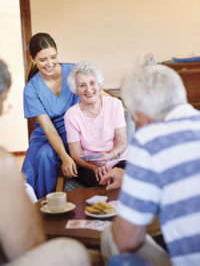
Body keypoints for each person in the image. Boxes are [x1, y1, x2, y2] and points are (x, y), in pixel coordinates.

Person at [100, 64, 200, 266]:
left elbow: (127, 241)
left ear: (142, 116)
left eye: (135, 119)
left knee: (111, 236)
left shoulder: (149, 139)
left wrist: (133, 189)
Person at [0, 60, 91, 266]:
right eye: (4, 101)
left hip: (67, 134)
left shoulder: (72, 71)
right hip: (47, 135)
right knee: (72, 249)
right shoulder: (3, 163)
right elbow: (25, 246)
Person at [22, 33, 79, 199]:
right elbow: (47, 128)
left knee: (45, 155)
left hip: (70, 132)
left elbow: (95, 90)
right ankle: (31, 210)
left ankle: (47, 205)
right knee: (27, 171)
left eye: (53, 57)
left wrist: (119, 105)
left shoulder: (75, 72)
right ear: (32, 59)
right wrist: (64, 157)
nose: (50, 64)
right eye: (42, 60)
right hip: (44, 135)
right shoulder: (31, 89)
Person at [64, 61, 127, 187]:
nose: (88, 89)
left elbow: (121, 141)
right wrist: (94, 167)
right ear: (76, 90)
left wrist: (109, 157)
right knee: (104, 180)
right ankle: (102, 206)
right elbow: (76, 154)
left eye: (92, 83)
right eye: (82, 85)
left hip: (117, 159)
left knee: (129, 176)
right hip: (89, 166)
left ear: (99, 84)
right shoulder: (71, 115)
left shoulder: (115, 104)